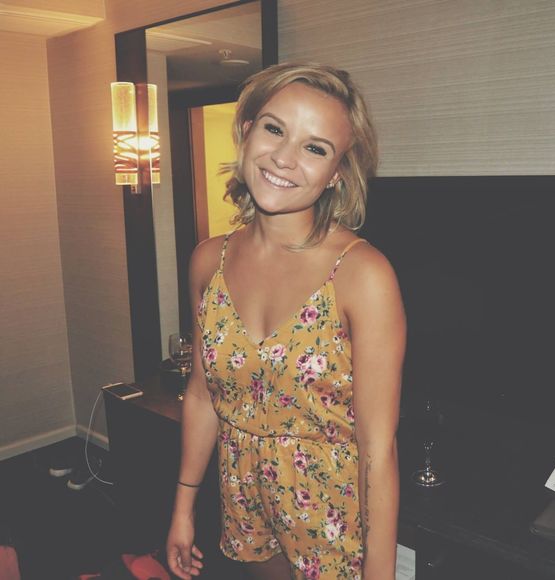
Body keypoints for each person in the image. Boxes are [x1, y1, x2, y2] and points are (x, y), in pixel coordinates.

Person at [166, 62, 406, 580]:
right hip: (243, 502)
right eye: (275, 129)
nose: (284, 157)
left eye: (315, 148)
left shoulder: (363, 274)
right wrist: (183, 508)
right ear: (247, 130)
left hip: (334, 517)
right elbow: (203, 395)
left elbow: (378, 449)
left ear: (336, 172)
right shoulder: (208, 260)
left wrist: (380, 572)